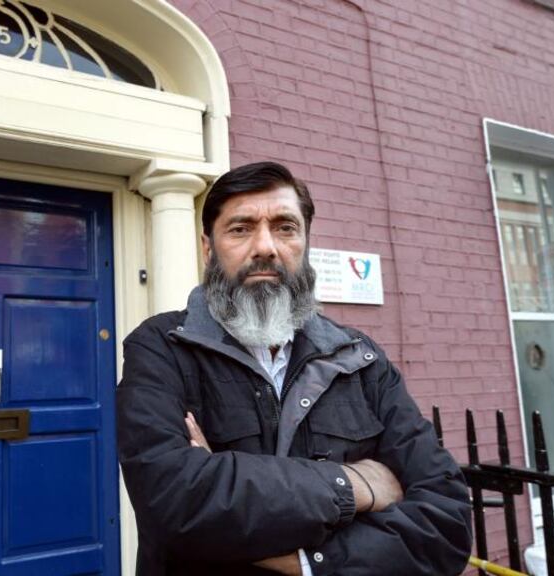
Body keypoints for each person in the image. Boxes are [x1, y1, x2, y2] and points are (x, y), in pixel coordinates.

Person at [116, 162, 472, 575]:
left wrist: (309, 563)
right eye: (241, 228)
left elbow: (447, 524)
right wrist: (357, 485)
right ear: (208, 249)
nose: (265, 246)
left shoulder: (360, 358)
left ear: (305, 243)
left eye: (285, 227)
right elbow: (174, 502)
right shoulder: (161, 347)